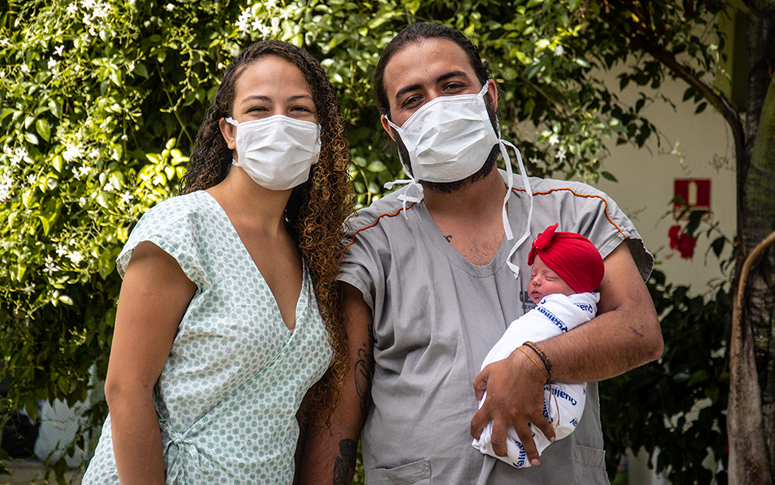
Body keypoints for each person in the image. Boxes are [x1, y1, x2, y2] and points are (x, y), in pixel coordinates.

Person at [297, 23, 662, 485]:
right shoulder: (368, 243)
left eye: (452, 86)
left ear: (489, 97)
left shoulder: (578, 210)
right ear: (392, 130)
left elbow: (640, 331)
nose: (438, 107)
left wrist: (535, 362)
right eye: (413, 99)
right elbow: (337, 420)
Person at [82, 40, 353, 484]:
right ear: (230, 132)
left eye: (300, 109)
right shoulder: (182, 228)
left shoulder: (311, 252)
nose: (280, 123)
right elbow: (125, 390)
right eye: (259, 109)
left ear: (320, 135)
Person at [473, 223, 605, 468]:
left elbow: (523, 337)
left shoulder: (570, 310)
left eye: (549, 277)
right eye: (533, 275)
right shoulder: (550, 309)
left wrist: (498, 373)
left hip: (558, 399)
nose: (536, 282)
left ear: (577, 286)